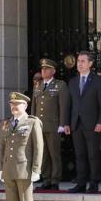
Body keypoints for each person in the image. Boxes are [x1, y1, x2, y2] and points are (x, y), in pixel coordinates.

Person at [0, 91, 44, 201]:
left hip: (24, 168)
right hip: (9, 168)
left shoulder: (32, 122)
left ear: (25, 105)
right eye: (11, 104)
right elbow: (2, 148)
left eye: (17, 104)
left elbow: (38, 147)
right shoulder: (6, 123)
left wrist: (36, 169)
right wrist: (1, 168)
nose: (13, 107)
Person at [65, 51, 101, 193]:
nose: (80, 64)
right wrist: (66, 123)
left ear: (90, 63)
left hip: (93, 124)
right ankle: (81, 182)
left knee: (93, 155)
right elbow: (68, 105)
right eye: (78, 61)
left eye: (83, 61)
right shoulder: (73, 82)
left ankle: (94, 183)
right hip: (76, 123)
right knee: (80, 155)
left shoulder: (98, 81)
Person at [32, 58, 69, 190]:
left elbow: (63, 106)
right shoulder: (38, 85)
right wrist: (32, 122)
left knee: (54, 153)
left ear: (53, 71)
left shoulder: (60, 85)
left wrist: (62, 124)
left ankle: (55, 180)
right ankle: (46, 179)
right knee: (43, 154)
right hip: (40, 126)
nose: (43, 71)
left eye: (46, 69)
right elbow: (34, 107)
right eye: (42, 69)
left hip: (53, 125)